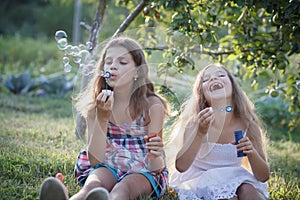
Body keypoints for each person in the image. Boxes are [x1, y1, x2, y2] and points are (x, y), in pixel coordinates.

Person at [39, 36, 169, 200]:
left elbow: (155, 165)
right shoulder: (97, 106)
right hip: (107, 163)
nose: (113, 66)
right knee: (93, 186)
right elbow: (95, 161)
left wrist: (156, 154)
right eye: (108, 62)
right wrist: (102, 117)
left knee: (123, 189)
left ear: (138, 71)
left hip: (142, 169)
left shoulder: (152, 106)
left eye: (122, 62)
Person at [167, 63, 270, 200]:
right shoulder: (196, 123)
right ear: (201, 94)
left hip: (233, 177)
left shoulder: (248, 124)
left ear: (233, 87)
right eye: (206, 79)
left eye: (221, 75)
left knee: (248, 190)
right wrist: (200, 132)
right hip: (202, 178)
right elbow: (181, 166)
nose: (214, 79)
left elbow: (263, 176)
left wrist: (251, 152)